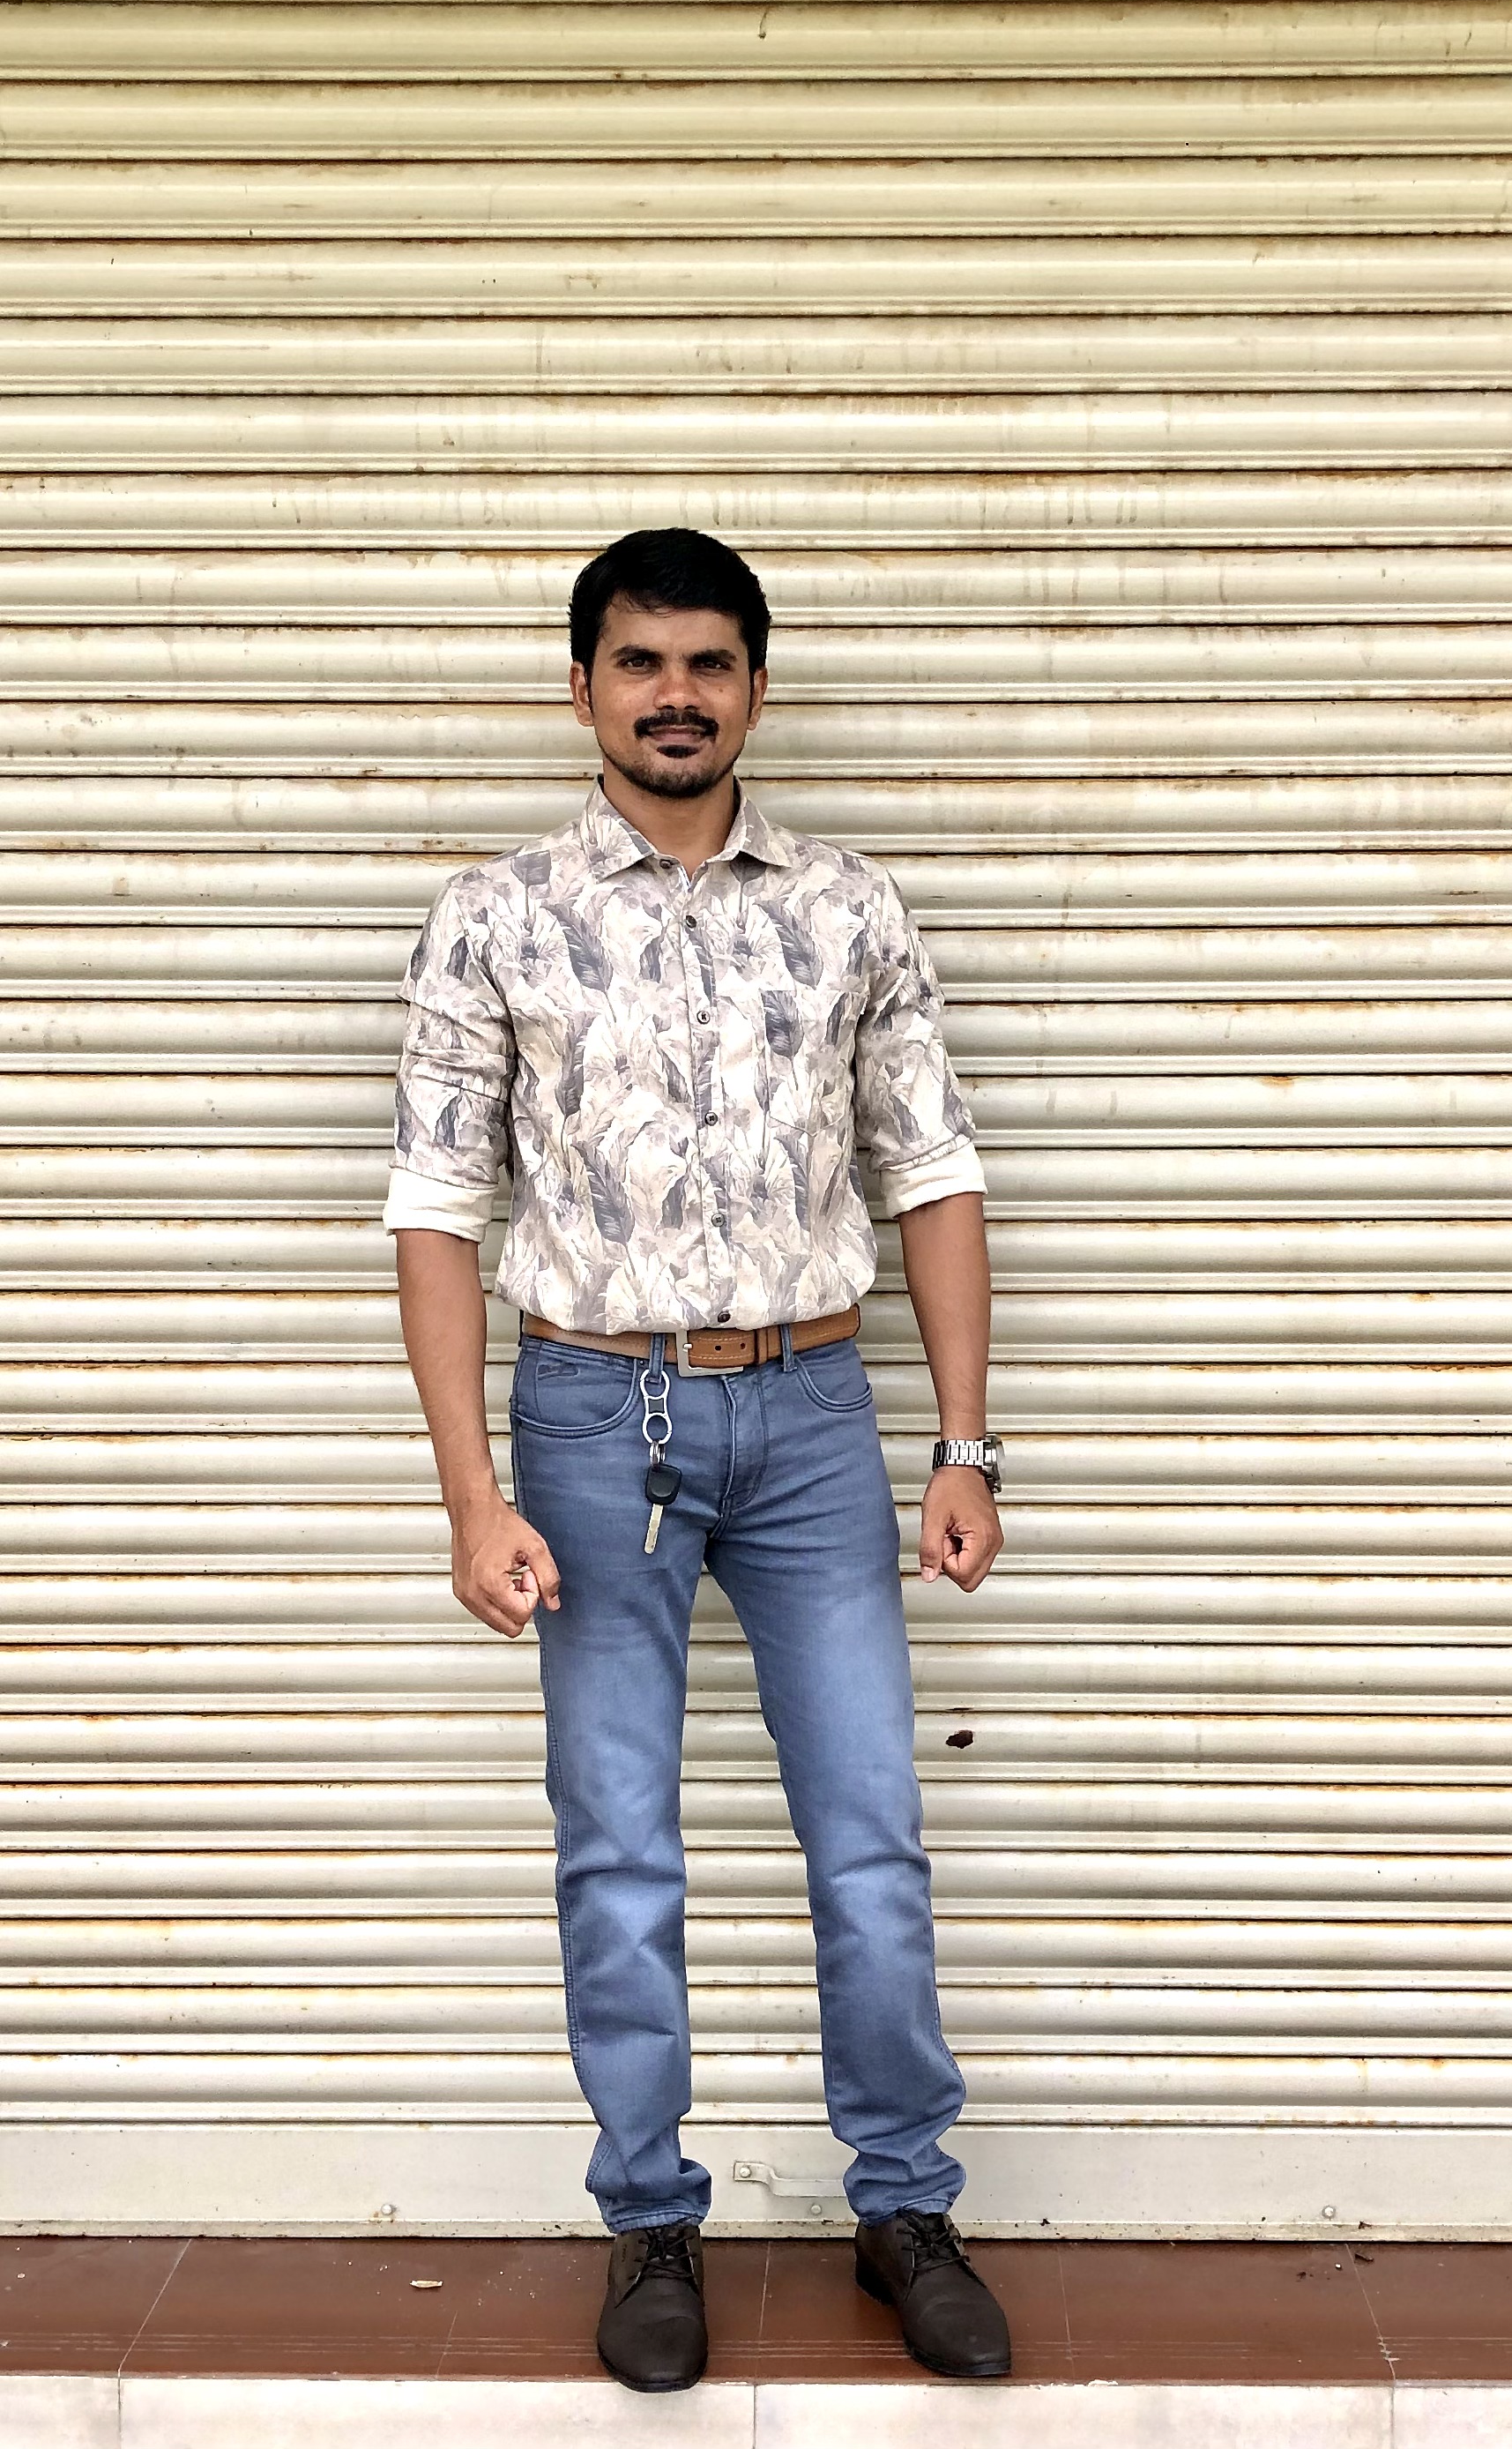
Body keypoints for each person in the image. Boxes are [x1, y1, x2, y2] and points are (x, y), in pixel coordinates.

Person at [384, 526, 1011, 2391]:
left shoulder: (851, 910)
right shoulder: (493, 917)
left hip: (813, 1414)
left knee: (871, 1837)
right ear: (582, 685)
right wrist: (471, 1493)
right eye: (642, 661)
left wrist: (963, 1441)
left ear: (756, 688)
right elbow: (435, 1206)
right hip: (594, 1420)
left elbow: (933, 1172)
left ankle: (904, 2204)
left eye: (709, 662)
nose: (676, 694)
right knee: (619, 1848)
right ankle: (651, 2216)